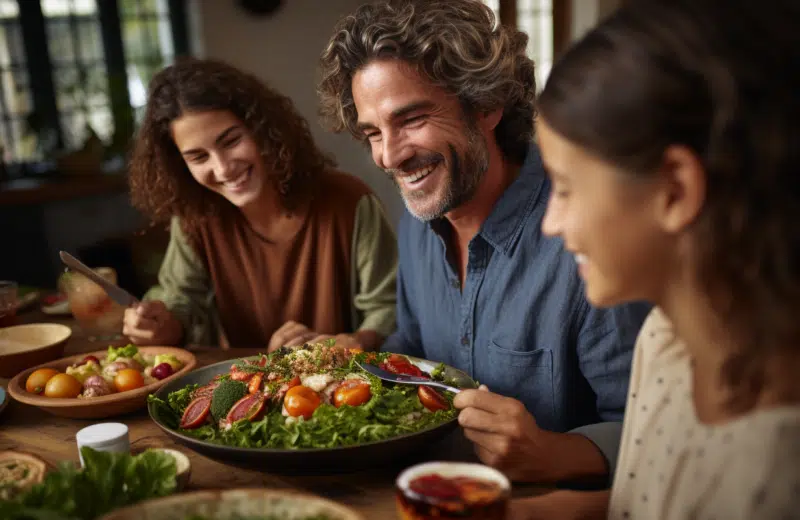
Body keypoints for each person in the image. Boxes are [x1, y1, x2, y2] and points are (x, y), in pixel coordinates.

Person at [318, 0, 650, 486]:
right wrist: (356, 358)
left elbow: (654, 431)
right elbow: (411, 350)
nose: (389, 156)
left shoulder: (586, 233)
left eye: (411, 119)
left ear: (487, 105)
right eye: (372, 132)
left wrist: (553, 454)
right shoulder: (418, 216)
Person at [511, 0, 800, 518]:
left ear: (674, 188)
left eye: (566, 189)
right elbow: (647, 498)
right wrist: (543, 511)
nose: (550, 223)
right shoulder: (664, 341)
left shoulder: (776, 473)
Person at [124, 58, 397, 352]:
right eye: (198, 157)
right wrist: (158, 325)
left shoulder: (350, 201)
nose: (224, 169)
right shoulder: (196, 217)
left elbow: (391, 308)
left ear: (263, 128)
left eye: (230, 141)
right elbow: (180, 301)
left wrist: (355, 341)